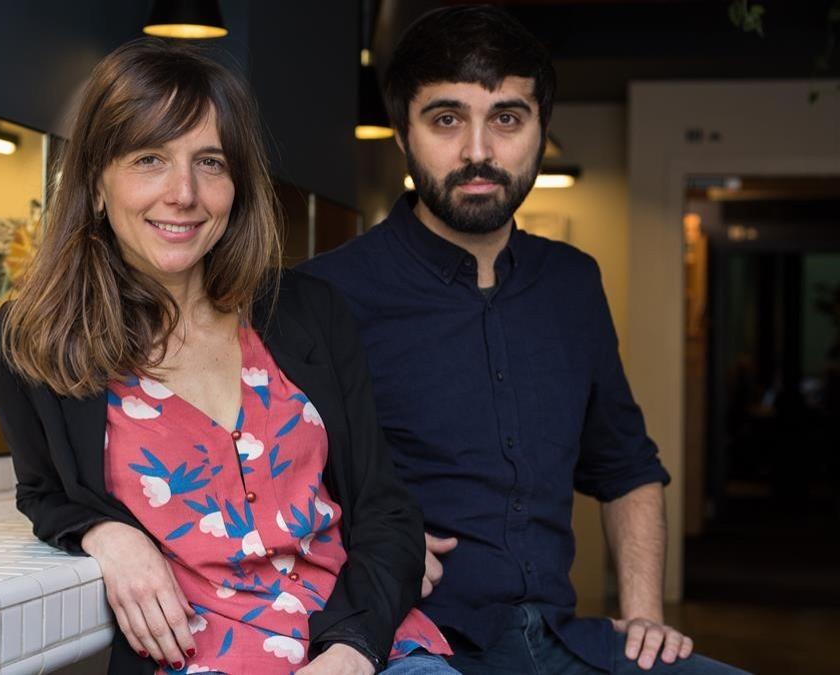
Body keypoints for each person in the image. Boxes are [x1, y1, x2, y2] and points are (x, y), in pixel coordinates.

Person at [0, 38, 457, 675]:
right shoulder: (26, 346)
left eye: (210, 162)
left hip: (366, 648)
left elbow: (383, 507)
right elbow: (43, 491)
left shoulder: (309, 313)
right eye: (149, 159)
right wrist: (106, 535)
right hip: (203, 661)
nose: (184, 193)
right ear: (96, 182)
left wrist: (351, 653)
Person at [299, 6, 746, 675]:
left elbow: (627, 468)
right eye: (446, 118)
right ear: (402, 133)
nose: (478, 150)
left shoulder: (573, 282)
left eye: (507, 117)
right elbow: (263, 475)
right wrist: (366, 543)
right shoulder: (324, 293)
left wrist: (646, 614)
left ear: (540, 130)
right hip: (415, 643)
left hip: (567, 642)